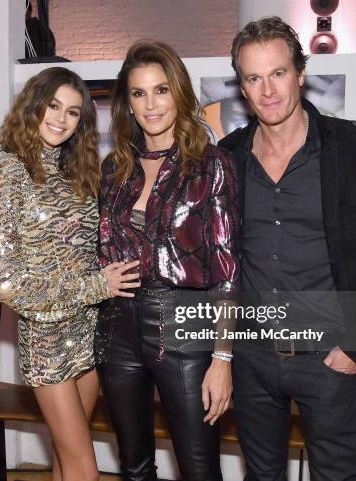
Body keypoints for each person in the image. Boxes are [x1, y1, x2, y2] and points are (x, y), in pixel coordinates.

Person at [218, 17, 356, 481]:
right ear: (242, 86)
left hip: (328, 357)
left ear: (300, 73)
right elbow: (218, 257)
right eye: (254, 77)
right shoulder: (228, 157)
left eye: (278, 73)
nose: (268, 90)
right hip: (252, 358)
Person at [0, 67, 139, 481]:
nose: (60, 118)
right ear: (34, 106)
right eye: (53, 106)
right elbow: (6, 282)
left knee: (65, 458)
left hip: (89, 334)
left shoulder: (80, 170)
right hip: (47, 340)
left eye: (73, 112)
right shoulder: (7, 166)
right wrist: (97, 284)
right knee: (84, 467)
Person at [97, 41, 240, 481]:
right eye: (139, 93)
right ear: (128, 103)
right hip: (117, 328)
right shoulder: (114, 169)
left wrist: (223, 358)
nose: (151, 104)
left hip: (185, 329)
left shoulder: (211, 165)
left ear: (178, 93)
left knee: (199, 468)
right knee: (134, 466)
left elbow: (228, 270)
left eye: (160, 90)